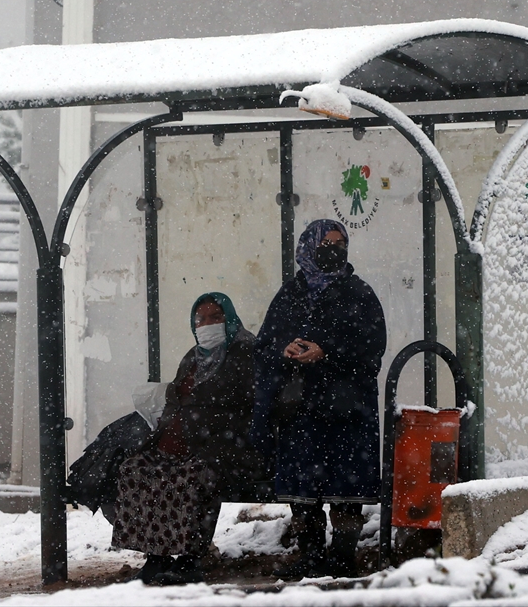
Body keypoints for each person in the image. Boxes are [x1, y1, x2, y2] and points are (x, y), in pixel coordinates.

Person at [253, 219, 387, 579]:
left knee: (346, 489)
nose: (336, 250)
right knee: (304, 492)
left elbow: (371, 349)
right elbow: (264, 344)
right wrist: (286, 350)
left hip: (347, 411)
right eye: (327, 244)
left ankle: (343, 556)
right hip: (302, 412)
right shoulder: (290, 294)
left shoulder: (358, 293)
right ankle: (310, 556)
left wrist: (327, 353)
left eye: (341, 243)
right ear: (308, 249)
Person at [111, 293, 266, 585]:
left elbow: (245, 405)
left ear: (229, 318)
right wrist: (169, 426)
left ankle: (190, 558)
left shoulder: (246, 351)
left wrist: (197, 414)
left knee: (191, 474)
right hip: (189, 441)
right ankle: (156, 556)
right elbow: (175, 402)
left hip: (232, 446)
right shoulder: (192, 357)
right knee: (139, 468)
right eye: (200, 319)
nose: (206, 325)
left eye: (215, 317)